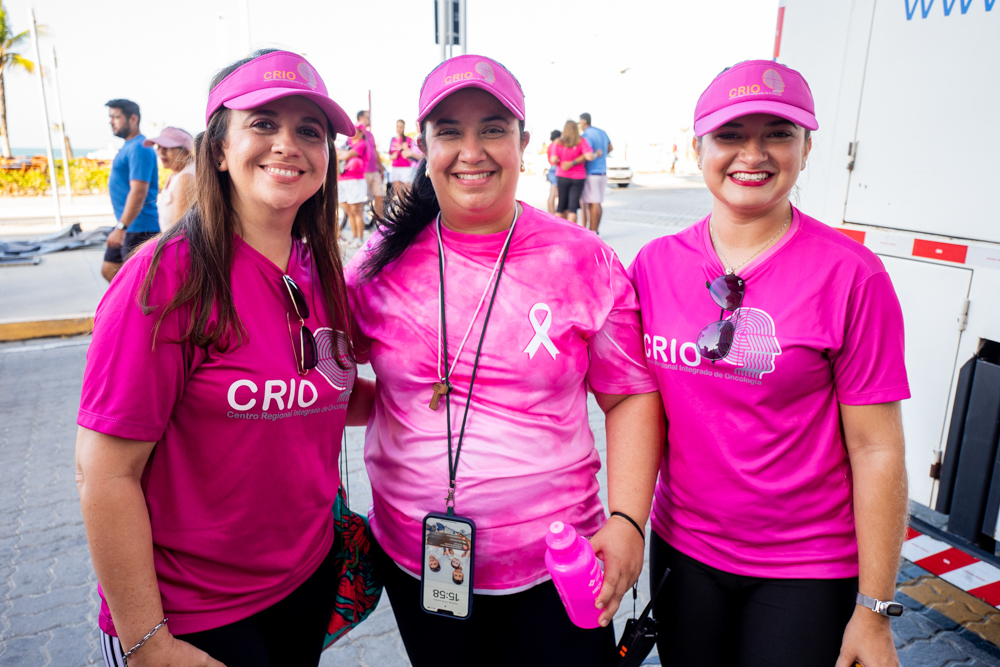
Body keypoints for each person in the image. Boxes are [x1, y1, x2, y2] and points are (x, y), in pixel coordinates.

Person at [347, 54, 664, 667]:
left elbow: (629, 396)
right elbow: (333, 383)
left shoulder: (584, 260)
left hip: (560, 563)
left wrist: (627, 519)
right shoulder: (378, 262)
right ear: (425, 146)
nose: (473, 150)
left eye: (493, 128)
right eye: (450, 132)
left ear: (523, 141)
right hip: (421, 562)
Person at [76, 49, 373, 667]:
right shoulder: (162, 281)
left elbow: (315, 392)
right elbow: (105, 474)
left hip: (304, 581)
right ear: (218, 148)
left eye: (309, 131)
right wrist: (148, 642)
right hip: (194, 614)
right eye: (263, 123)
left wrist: (439, 390)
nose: (287, 144)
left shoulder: (318, 273)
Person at [627, 60, 909, 667]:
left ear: (807, 149)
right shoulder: (653, 267)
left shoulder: (852, 275)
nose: (752, 153)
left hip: (806, 570)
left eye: (778, 133)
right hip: (684, 552)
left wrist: (875, 608)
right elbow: (637, 411)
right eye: (730, 134)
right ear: (696, 146)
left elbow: (877, 448)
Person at [102, 99, 159, 282]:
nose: (111, 122)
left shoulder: (140, 148)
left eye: (116, 117)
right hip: (128, 225)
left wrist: (121, 227)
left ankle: (136, 310)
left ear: (133, 119)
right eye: (110, 117)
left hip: (140, 227)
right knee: (109, 270)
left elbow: (139, 192)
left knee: (136, 284)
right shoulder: (129, 146)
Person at [144, 126, 195, 232]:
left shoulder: (186, 178)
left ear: (185, 152)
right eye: (159, 147)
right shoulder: (176, 173)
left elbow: (178, 231)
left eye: (167, 148)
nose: (160, 152)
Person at [549, 119, 595, 225]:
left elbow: (553, 160)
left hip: (562, 176)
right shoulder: (581, 141)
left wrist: (563, 161)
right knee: (572, 208)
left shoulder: (559, 143)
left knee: (560, 207)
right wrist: (576, 160)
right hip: (578, 177)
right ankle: (571, 234)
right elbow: (589, 156)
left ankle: (559, 232)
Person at [578, 113, 611, 233]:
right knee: (598, 203)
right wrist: (602, 156)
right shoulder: (602, 132)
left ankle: (593, 231)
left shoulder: (586, 135)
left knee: (594, 203)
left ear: (583, 122)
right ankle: (596, 230)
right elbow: (610, 147)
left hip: (591, 172)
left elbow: (587, 154)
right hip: (603, 172)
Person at [338, 124, 369, 248]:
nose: (354, 132)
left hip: (355, 180)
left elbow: (344, 156)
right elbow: (336, 154)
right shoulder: (347, 143)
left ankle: (360, 238)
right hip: (342, 179)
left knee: (357, 210)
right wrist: (342, 153)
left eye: (357, 130)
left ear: (361, 132)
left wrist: (342, 154)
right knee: (349, 211)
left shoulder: (361, 144)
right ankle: (354, 237)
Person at [357, 110, 385, 220]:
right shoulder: (355, 132)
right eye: (366, 117)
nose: (369, 119)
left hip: (374, 171)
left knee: (379, 196)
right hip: (362, 172)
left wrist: (381, 168)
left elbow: (375, 151)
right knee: (361, 199)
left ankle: (380, 221)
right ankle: (361, 223)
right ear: (360, 118)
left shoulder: (370, 134)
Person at [387, 119, 419, 196]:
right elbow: (389, 155)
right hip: (395, 168)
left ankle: (409, 207)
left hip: (406, 168)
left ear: (404, 128)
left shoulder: (408, 139)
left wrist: (406, 149)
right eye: (398, 126)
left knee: (408, 191)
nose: (399, 129)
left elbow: (414, 154)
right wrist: (393, 156)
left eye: (401, 127)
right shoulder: (393, 139)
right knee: (398, 193)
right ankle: (401, 208)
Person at [545, 129, 561, 214]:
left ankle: (551, 213)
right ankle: (552, 213)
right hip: (556, 169)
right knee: (554, 194)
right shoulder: (556, 145)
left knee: (552, 193)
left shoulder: (550, 145)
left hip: (551, 168)